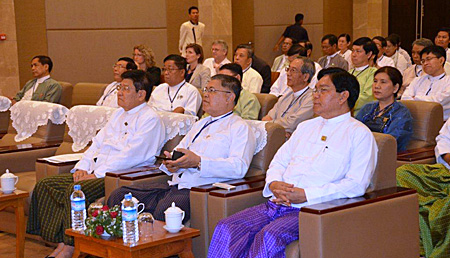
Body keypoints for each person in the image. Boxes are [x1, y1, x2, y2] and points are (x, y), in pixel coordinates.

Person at [208, 67, 378, 258]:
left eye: (323, 90)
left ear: (343, 96)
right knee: (227, 227)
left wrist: (307, 195)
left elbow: (357, 184)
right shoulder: (305, 127)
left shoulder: (359, 134)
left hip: (310, 210)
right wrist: (274, 183)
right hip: (275, 203)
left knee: (269, 236)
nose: (315, 95)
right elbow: (278, 162)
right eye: (315, 90)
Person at [27, 70, 166, 258]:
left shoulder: (150, 119)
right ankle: (60, 241)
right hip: (96, 171)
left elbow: (131, 156)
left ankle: (71, 247)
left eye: (126, 89)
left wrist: (97, 174)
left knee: (76, 191)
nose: (120, 92)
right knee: (46, 185)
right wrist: (82, 166)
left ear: (141, 95)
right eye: (120, 87)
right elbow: (96, 144)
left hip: (117, 176)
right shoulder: (118, 114)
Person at [107, 74, 256, 227]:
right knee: (120, 196)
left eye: (212, 90)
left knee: (164, 213)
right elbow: (181, 151)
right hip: (174, 183)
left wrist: (198, 162)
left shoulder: (240, 128)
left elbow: (239, 167)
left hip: (199, 189)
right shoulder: (201, 123)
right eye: (205, 89)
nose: (205, 94)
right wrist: (172, 162)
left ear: (229, 97)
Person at [397, 117, 450, 258]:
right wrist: (448, 157)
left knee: (444, 209)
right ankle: (428, 208)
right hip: (445, 171)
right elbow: (443, 138)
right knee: (403, 173)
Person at [356, 67, 413, 152]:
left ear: (395, 88)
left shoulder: (401, 113)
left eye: (383, 82)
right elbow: (354, 131)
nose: (377, 86)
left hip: (383, 155)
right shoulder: (368, 108)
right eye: (375, 81)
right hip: (360, 150)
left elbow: (390, 142)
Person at [262, 57, 315, 138]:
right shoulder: (288, 94)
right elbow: (268, 117)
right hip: (276, 135)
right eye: (288, 69)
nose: (288, 73)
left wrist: (273, 125)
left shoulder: (311, 98)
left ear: (305, 77)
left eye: (293, 70)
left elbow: (292, 123)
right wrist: (280, 130)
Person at [402, 45, 450, 121]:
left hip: (439, 124)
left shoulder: (448, 82)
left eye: (428, 59)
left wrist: (415, 98)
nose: (425, 63)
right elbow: (405, 99)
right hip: (414, 120)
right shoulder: (417, 80)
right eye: (423, 61)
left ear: (441, 60)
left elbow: (437, 102)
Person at [349, 37, 379, 115]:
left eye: (358, 51)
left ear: (369, 54)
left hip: (362, 114)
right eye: (353, 51)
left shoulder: (373, 73)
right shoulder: (349, 72)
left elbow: (368, 97)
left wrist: (345, 104)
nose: (353, 54)